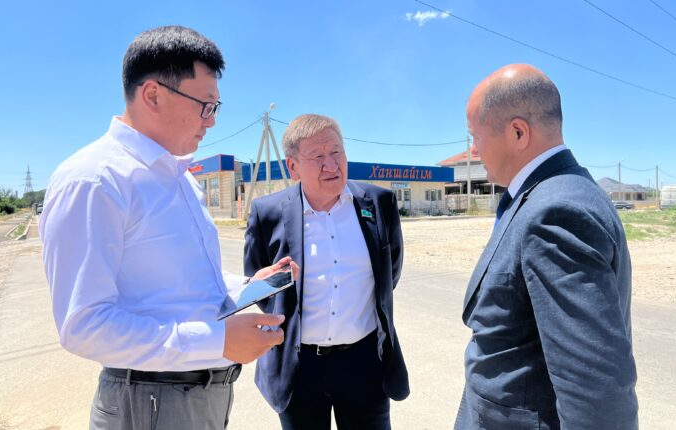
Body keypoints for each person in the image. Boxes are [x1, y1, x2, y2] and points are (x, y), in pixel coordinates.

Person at [40, 26, 291, 430]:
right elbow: (83, 326)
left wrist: (248, 285)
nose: (212, 121)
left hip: (199, 395)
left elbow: (185, 286)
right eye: (205, 106)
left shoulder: (179, 177)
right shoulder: (95, 180)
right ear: (153, 95)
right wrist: (217, 340)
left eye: (216, 107)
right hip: (150, 400)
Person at [455, 64, 638, 429]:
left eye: (475, 137)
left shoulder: (555, 211)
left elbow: (594, 390)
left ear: (518, 132)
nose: (473, 150)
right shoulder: (544, 194)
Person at [244, 114, 409, 429]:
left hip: (364, 363)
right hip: (299, 367)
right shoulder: (268, 213)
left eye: (336, 152)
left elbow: (390, 274)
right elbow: (261, 287)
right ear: (293, 167)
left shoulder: (378, 202)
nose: (331, 165)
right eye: (317, 157)